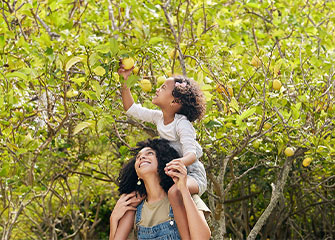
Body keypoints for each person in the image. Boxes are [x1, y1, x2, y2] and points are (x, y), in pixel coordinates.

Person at [118, 65, 207, 238]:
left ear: (174, 102)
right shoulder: (159, 118)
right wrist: (124, 81)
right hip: (176, 173)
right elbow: (130, 109)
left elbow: (192, 154)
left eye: (164, 88)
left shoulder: (183, 124)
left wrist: (179, 163)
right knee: (169, 192)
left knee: (175, 192)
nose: (157, 89)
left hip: (193, 174)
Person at [109, 138, 211, 240]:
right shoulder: (134, 208)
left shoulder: (184, 196)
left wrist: (184, 189)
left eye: (150, 153)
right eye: (138, 157)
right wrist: (113, 219)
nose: (142, 157)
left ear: (162, 160)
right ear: (137, 174)